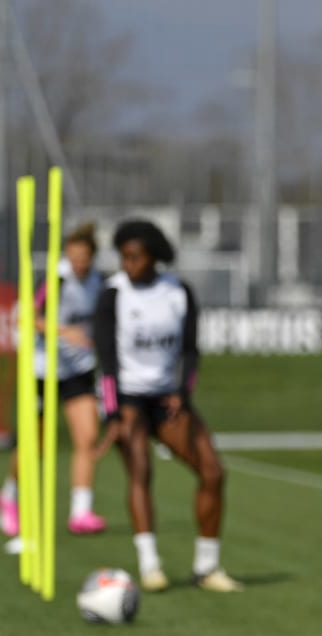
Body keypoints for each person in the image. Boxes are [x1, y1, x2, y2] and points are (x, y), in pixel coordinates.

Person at [93, 220, 241, 594]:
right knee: (140, 471)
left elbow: (191, 352)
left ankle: (206, 567)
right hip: (127, 398)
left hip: (167, 398)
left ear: (154, 256)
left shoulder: (179, 292)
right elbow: (106, 361)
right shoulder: (112, 295)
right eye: (123, 256)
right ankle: (150, 565)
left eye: (135, 256)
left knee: (213, 471)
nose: (128, 264)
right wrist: (112, 414)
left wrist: (182, 394)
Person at [0, 223, 108, 540]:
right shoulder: (55, 279)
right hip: (43, 368)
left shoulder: (99, 282)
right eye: (72, 257)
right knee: (35, 443)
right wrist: (64, 331)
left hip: (77, 368)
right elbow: (26, 316)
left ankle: (81, 510)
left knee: (87, 435)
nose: (78, 263)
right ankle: (10, 495)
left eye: (83, 257)